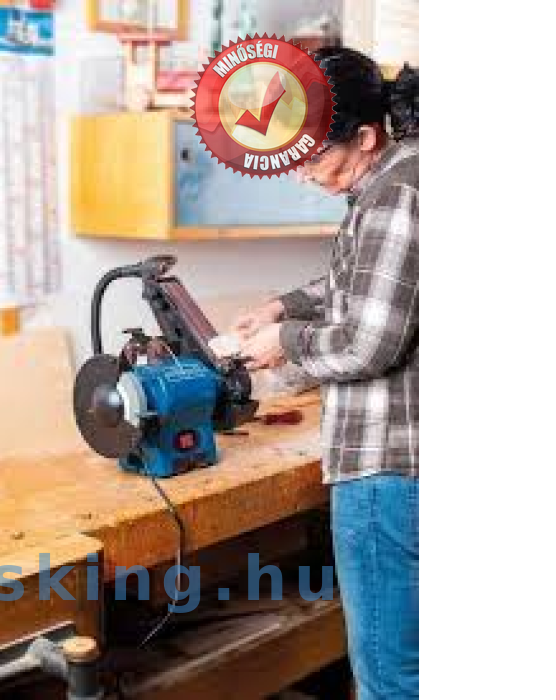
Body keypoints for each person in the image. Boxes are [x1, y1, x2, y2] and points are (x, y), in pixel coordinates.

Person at [233, 48, 419, 700]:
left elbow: (367, 344)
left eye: (314, 158)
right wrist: (285, 306)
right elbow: (370, 279)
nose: (305, 174)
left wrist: (285, 342)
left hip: (386, 465)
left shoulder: (396, 195)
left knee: (390, 677)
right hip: (404, 465)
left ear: (365, 137)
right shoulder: (398, 180)